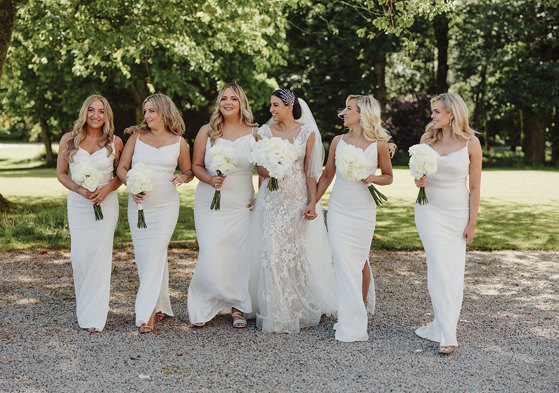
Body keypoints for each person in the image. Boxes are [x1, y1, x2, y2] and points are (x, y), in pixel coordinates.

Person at [249, 88, 336, 333]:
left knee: (294, 254)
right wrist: (272, 169)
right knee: (272, 253)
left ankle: (295, 308)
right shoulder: (263, 133)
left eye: (275, 105)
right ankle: (275, 313)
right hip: (271, 200)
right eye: (270, 105)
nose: (271, 110)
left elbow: (310, 173)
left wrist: (312, 202)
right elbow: (260, 171)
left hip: (296, 199)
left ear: (289, 106)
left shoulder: (307, 132)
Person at [316, 95, 394, 342]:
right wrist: (313, 202)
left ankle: (358, 307)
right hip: (339, 207)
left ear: (362, 114)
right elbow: (328, 174)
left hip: (363, 211)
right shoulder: (338, 141)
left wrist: (371, 178)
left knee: (359, 261)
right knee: (341, 260)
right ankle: (349, 317)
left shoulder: (379, 144)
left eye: (348, 109)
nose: (343, 112)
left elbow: (389, 176)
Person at [116, 94, 193, 333]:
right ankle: (160, 304)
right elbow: (121, 168)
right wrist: (130, 185)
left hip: (166, 206)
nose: (147, 116)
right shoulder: (136, 138)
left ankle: (146, 312)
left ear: (164, 112)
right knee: (145, 256)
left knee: (157, 251)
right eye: (145, 111)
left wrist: (183, 177)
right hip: (139, 206)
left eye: (151, 111)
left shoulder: (179, 141)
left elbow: (189, 170)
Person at [413, 92, 482, 354]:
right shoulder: (427, 140)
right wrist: (418, 181)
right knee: (438, 267)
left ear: (452, 114)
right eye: (433, 111)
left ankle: (443, 324)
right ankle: (448, 336)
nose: (432, 116)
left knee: (453, 272)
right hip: (428, 209)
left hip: (457, 212)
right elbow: (418, 176)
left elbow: (475, 187)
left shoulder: (471, 143)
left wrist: (471, 222)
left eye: (437, 112)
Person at [187, 84, 257, 328]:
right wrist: (210, 179)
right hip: (209, 200)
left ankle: (238, 306)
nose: (228, 102)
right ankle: (203, 303)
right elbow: (196, 165)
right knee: (210, 251)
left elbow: (265, 168)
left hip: (241, 201)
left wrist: (262, 194)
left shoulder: (255, 132)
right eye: (224, 98)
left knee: (238, 255)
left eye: (234, 99)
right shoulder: (208, 131)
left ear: (242, 103)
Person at [56, 95, 123, 333]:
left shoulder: (114, 142)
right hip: (78, 204)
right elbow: (61, 173)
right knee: (80, 258)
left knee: (100, 257)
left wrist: (106, 189)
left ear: (107, 116)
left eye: (101, 111)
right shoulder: (69, 140)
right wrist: (80, 190)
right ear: (84, 112)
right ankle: (84, 306)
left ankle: (95, 316)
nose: (96, 115)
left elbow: (121, 174)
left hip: (106, 203)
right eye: (92, 110)